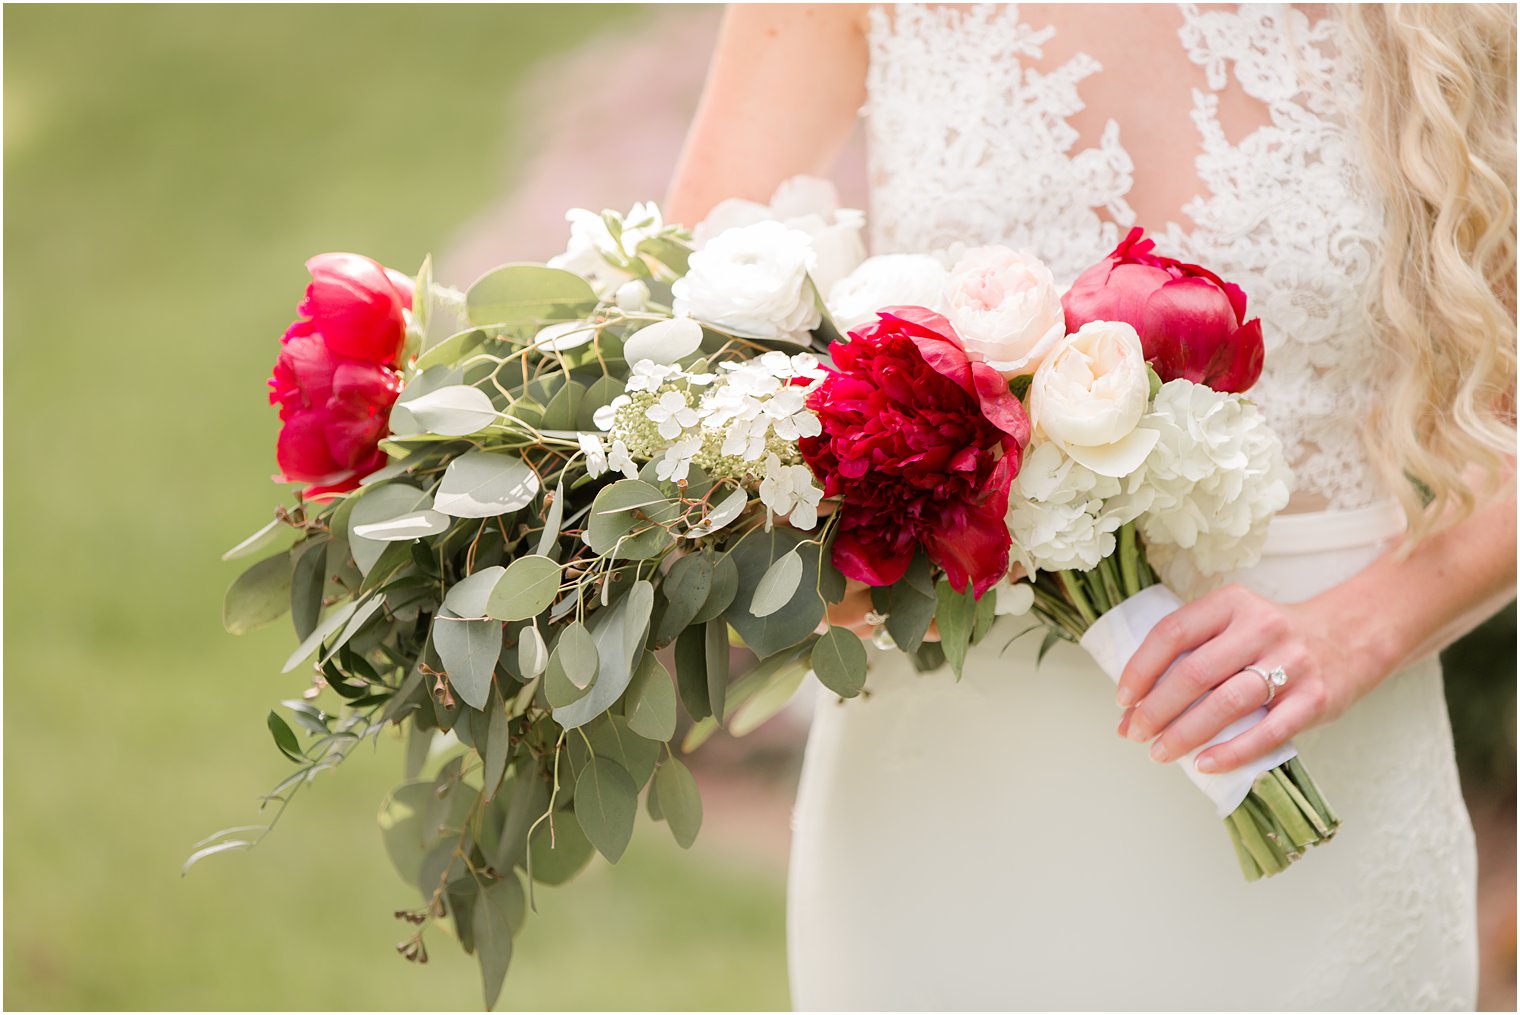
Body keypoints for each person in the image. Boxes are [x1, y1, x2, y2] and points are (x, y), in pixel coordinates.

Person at [666, 4, 1517, 1010]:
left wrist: (1358, 631)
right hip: (952, 792)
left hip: (1326, 771)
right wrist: (832, 549)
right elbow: (685, 355)